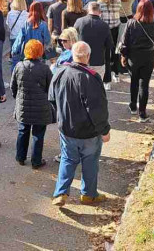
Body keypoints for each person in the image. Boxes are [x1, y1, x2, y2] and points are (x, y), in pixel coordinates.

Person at [50, 41, 111, 207]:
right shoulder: (91, 77)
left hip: (67, 129)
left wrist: (61, 117)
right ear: (88, 56)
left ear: (73, 55)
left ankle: (60, 193)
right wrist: (105, 130)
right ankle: (89, 194)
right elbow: (98, 109)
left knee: (67, 159)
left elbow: (52, 98)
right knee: (90, 162)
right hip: (88, 132)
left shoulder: (60, 72)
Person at [11, 39, 53, 168]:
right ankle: (36, 161)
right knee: (38, 135)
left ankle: (20, 157)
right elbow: (50, 89)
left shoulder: (19, 66)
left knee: (22, 131)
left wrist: (18, 98)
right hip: (40, 108)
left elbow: (13, 86)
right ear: (40, 52)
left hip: (23, 106)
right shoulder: (45, 69)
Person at [120, 0, 154, 122]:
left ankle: (133, 106)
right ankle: (142, 113)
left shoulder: (131, 23)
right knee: (144, 85)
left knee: (134, 81)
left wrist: (123, 56)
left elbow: (124, 43)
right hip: (149, 57)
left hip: (133, 57)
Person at [73, 3, 114, 85]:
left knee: (81, 86)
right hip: (98, 61)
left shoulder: (79, 22)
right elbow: (109, 44)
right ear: (100, 11)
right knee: (97, 87)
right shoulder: (104, 25)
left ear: (88, 10)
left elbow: (73, 39)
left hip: (81, 60)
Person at [12, 1, 49, 69]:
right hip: (39, 53)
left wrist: (14, 50)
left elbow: (20, 39)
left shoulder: (26, 23)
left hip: (27, 52)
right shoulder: (43, 24)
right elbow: (47, 40)